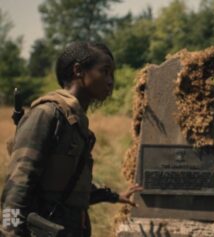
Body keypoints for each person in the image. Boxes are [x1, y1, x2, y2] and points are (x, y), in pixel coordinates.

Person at [0, 42, 142, 237]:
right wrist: (9, 232)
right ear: (78, 71)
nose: (110, 81)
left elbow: (68, 186)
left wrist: (114, 196)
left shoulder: (75, 122)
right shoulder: (47, 114)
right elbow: (16, 186)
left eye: (112, 74)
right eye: (104, 71)